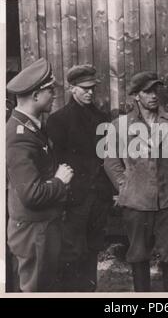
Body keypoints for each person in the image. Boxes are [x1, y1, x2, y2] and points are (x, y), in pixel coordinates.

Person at [104, 71, 168, 292]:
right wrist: (125, 186)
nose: (153, 96)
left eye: (155, 90)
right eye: (147, 91)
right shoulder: (119, 125)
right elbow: (110, 162)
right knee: (138, 255)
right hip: (137, 204)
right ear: (136, 96)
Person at [6, 58, 74, 292]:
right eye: (50, 91)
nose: (54, 95)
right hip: (33, 232)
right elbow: (31, 194)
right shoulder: (19, 136)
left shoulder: (32, 127)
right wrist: (59, 181)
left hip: (43, 228)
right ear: (35, 96)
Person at [46, 65, 113, 292]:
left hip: (98, 198)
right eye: (84, 88)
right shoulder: (58, 120)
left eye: (92, 88)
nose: (90, 93)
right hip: (73, 199)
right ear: (71, 88)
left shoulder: (102, 118)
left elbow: (108, 158)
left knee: (93, 249)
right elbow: (56, 163)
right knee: (72, 252)